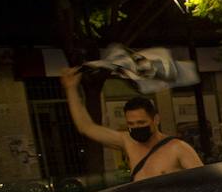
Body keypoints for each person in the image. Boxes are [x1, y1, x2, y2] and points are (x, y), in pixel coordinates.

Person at [60, 67, 204, 181]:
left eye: (141, 122)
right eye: (131, 123)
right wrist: (71, 89)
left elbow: (204, 184)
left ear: (156, 120)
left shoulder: (178, 148)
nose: (136, 127)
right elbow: (86, 127)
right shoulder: (127, 142)